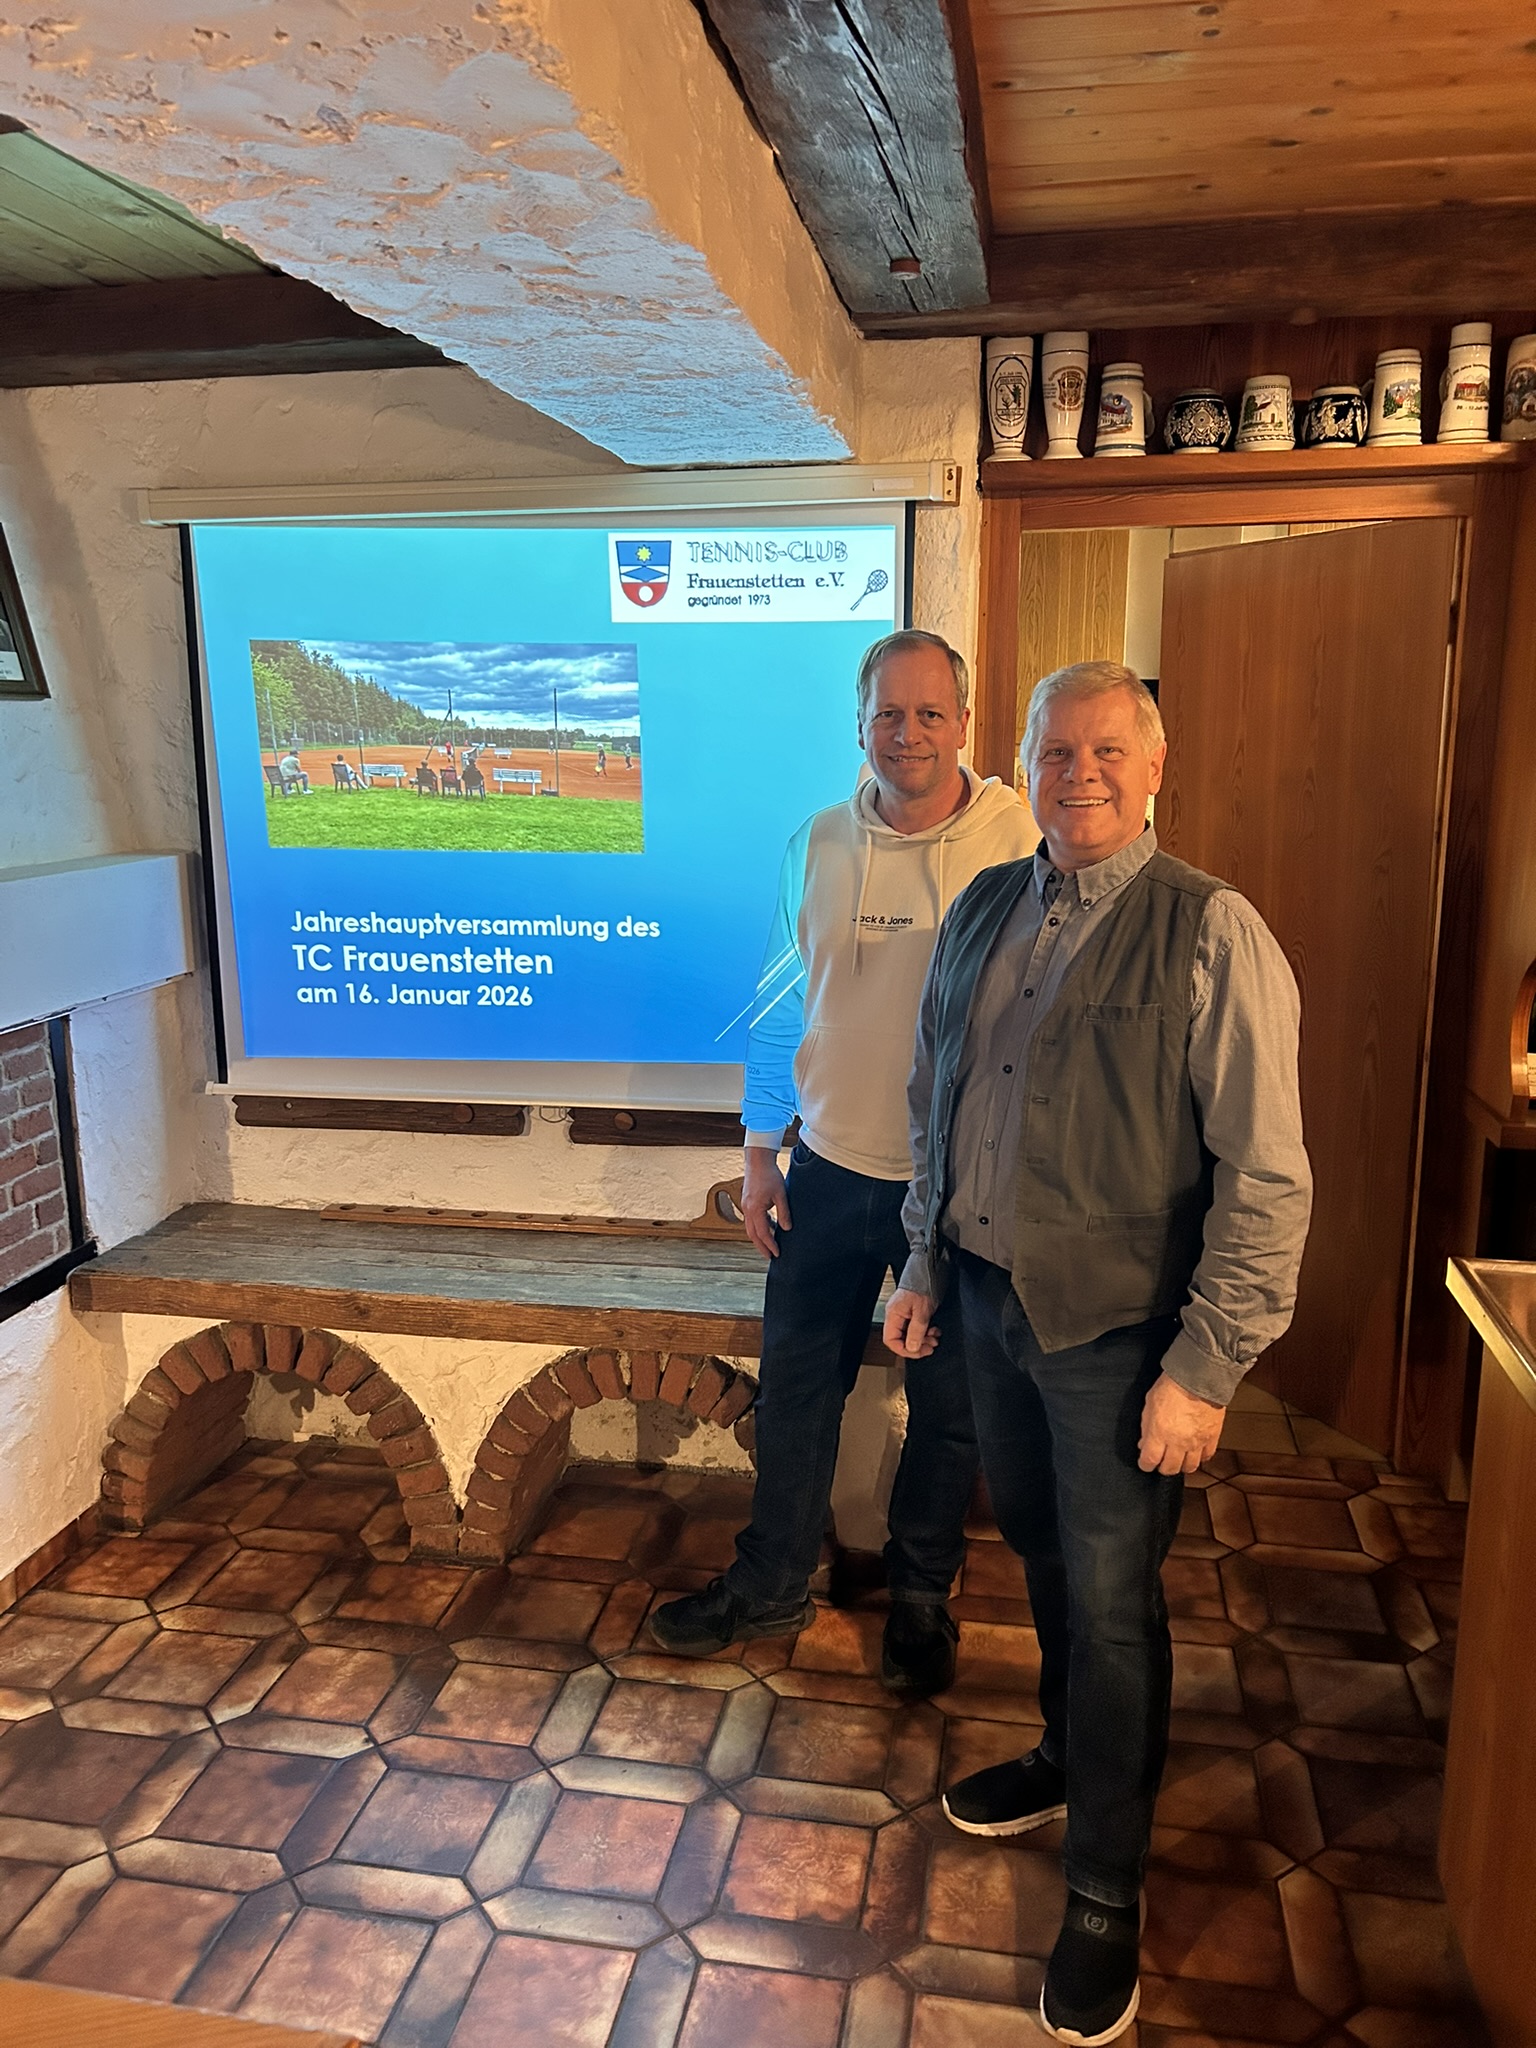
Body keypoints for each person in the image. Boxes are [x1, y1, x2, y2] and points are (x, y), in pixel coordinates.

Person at [884, 660, 1312, 2043]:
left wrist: (1208, 1364)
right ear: (1024, 763)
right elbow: (935, 1094)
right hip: (990, 1304)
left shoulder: (1212, 929)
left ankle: (1104, 1894)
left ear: (1156, 766)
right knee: (1044, 1555)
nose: (1080, 775)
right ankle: (1067, 1756)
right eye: (1056, 751)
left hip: (1125, 1338)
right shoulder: (984, 906)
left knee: (1118, 1606)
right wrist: (921, 1259)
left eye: (1108, 751)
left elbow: (1267, 1174)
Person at [651, 630, 1036, 1693]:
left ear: (965, 723)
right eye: (887, 714)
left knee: (948, 1409)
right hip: (823, 1171)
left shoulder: (1022, 839)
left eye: (930, 713)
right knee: (796, 1395)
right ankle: (771, 1581)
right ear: (859, 724)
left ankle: (920, 1595)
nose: (908, 734)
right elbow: (783, 1003)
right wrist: (759, 1152)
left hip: (954, 1190)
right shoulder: (816, 842)